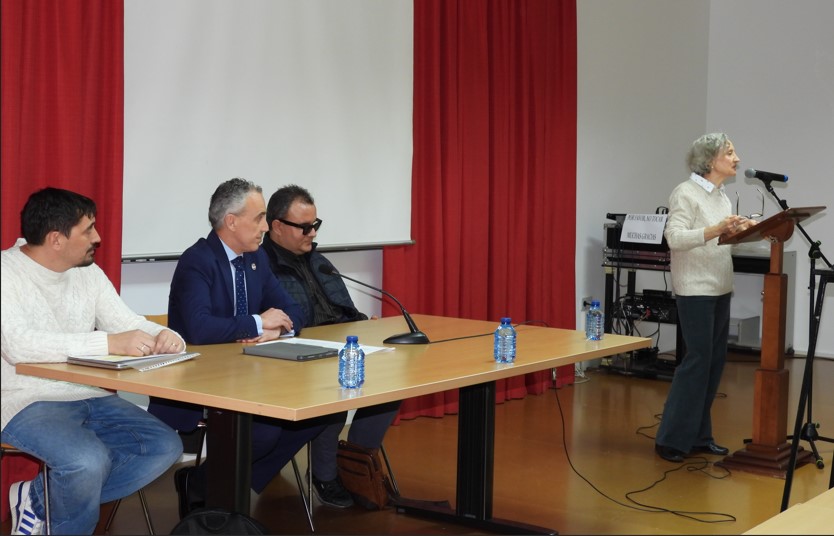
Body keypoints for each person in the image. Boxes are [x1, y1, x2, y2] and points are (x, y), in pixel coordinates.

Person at [1, 187, 184, 535]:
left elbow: (127, 322)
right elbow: (18, 346)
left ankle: (37, 500)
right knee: (87, 462)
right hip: (22, 397)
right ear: (56, 239)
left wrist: (166, 336)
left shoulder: (88, 273)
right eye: (88, 229)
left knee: (164, 446)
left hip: (86, 392)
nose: (97, 238)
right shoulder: (5, 273)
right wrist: (108, 343)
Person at [147, 178, 326, 518]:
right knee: (266, 431)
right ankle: (217, 490)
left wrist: (278, 332)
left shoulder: (256, 260)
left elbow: (297, 312)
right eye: (259, 218)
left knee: (318, 413)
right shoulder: (197, 261)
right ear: (231, 221)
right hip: (200, 378)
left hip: (251, 374)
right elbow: (200, 328)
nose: (264, 227)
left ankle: (208, 484)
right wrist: (260, 323)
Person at [262, 184, 401, 508]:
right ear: (277, 226)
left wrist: (367, 324)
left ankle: (355, 464)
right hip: (296, 356)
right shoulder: (260, 266)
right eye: (305, 227)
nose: (312, 233)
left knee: (393, 382)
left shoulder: (319, 260)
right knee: (336, 387)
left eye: (316, 225)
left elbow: (342, 310)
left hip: (339, 343)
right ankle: (324, 475)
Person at [655, 133, 756, 463]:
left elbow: (721, 244)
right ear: (711, 160)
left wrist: (739, 232)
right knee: (696, 364)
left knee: (713, 365)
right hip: (695, 289)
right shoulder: (685, 192)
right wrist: (715, 230)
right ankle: (670, 439)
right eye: (730, 152)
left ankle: (699, 435)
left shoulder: (722, 196)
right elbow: (675, 238)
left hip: (720, 287)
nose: (737, 158)